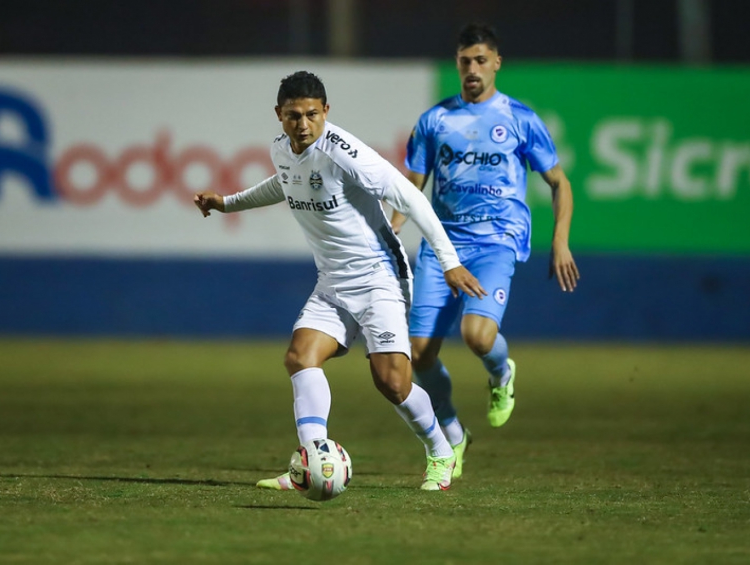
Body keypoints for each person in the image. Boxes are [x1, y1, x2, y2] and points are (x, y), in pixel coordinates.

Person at [194, 70, 486, 491]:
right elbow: (286, 184)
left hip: (380, 277)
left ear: (326, 111)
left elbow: (410, 197)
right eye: (293, 115)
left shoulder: (344, 152)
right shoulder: (282, 150)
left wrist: (449, 262)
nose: (303, 123)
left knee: (392, 382)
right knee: (299, 357)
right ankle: (315, 463)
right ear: (279, 115)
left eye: (312, 114)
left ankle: (440, 451)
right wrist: (229, 203)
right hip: (332, 281)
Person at [390, 23, 580, 479]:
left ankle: (501, 375)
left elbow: (559, 182)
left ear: (496, 63)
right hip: (442, 245)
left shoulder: (520, 118)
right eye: (464, 62)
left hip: (497, 241)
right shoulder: (435, 121)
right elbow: (411, 187)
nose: (472, 69)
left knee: (477, 337)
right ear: (456, 65)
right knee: (418, 355)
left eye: (480, 61)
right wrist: (390, 232)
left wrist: (559, 241)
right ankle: (454, 432)